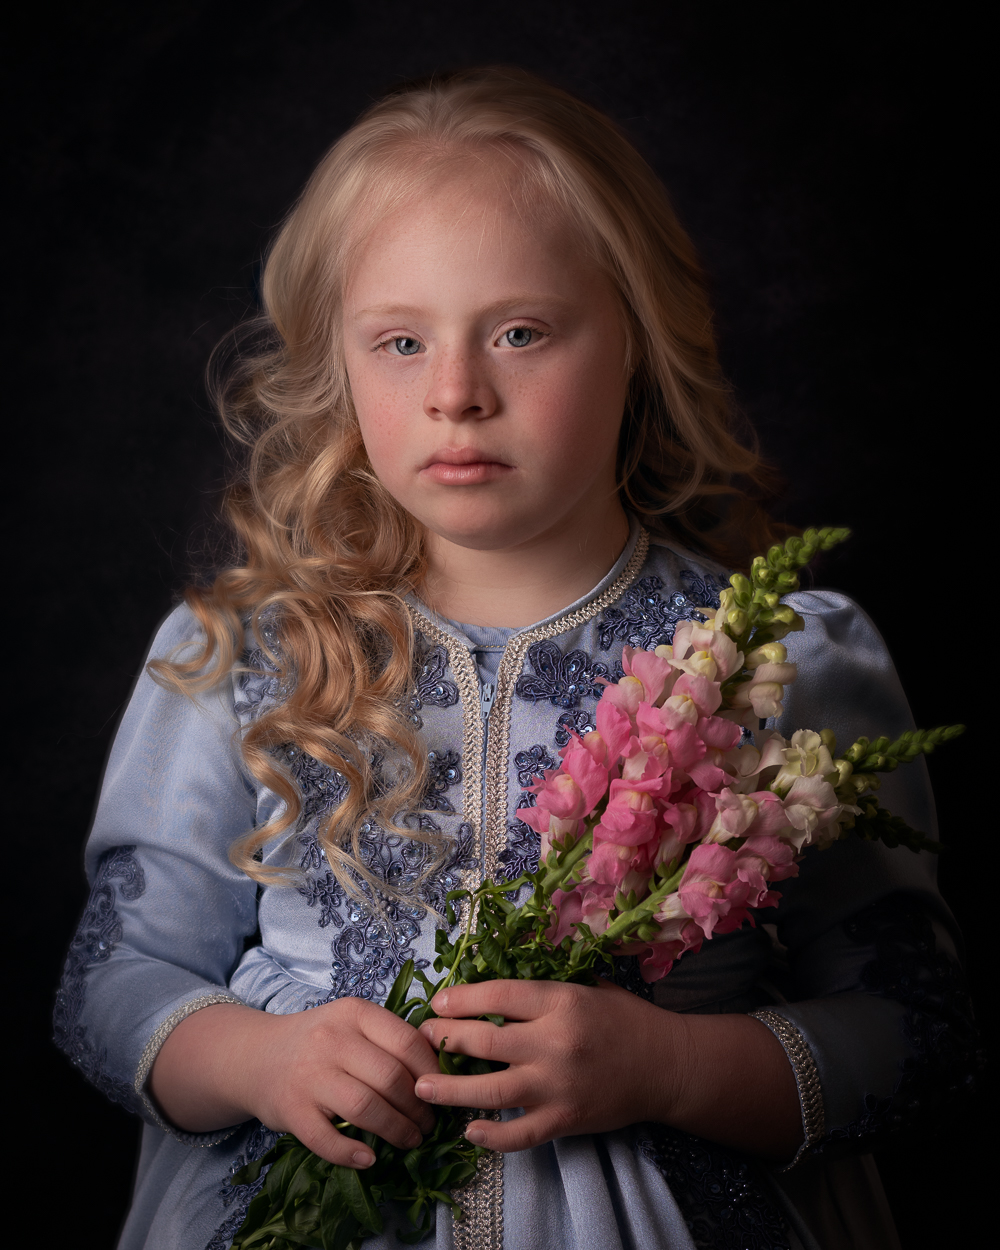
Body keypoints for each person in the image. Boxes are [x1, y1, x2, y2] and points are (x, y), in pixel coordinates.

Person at [54, 68, 975, 1250]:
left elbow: (924, 1035)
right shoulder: (243, 652)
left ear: (636, 341)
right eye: (397, 340)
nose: (454, 395)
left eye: (522, 332)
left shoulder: (775, 659)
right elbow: (110, 979)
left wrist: (672, 1065)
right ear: (336, 362)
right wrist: (262, 1056)